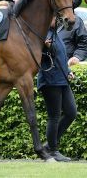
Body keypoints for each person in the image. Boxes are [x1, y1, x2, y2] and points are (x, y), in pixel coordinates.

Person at [37, 19, 77, 162]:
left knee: (71, 112)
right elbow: (36, 55)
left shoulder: (56, 33)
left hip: (62, 79)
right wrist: (44, 47)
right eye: (53, 16)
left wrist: (68, 71)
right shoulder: (41, 34)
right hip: (50, 80)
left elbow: (60, 56)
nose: (56, 18)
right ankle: (53, 150)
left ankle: (49, 145)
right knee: (53, 116)